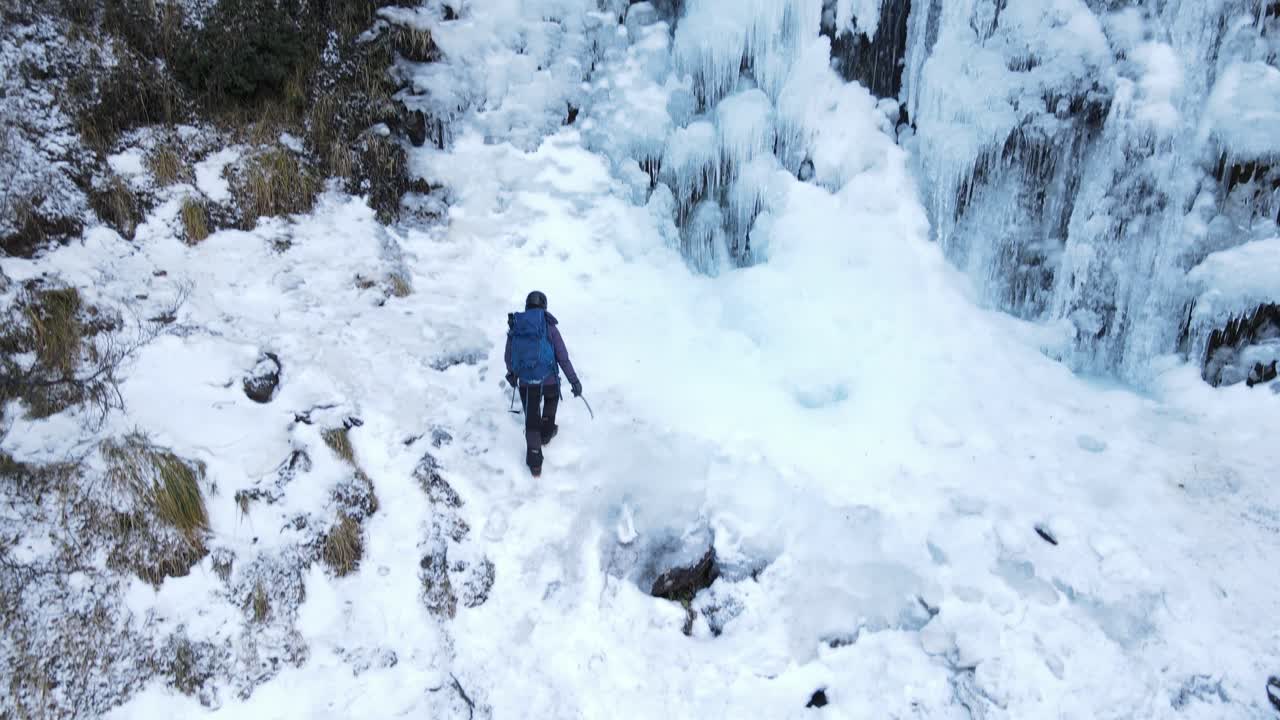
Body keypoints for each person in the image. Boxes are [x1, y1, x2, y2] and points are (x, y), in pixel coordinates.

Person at [505, 291, 582, 476]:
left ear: (527, 306)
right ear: (544, 306)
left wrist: (512, 374)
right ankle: (546, 435)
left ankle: (535, 464)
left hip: (526, 382)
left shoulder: (517, 326)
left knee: (531, 420)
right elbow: (562, 357)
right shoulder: (549, 326)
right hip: (549, 380)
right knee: (551, 401)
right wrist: (574, 381)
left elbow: (509, 356)